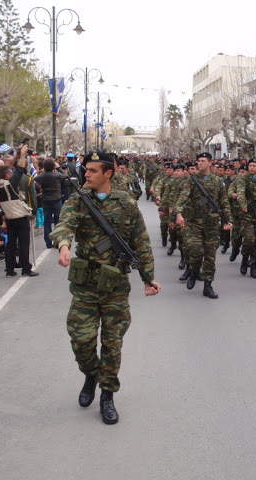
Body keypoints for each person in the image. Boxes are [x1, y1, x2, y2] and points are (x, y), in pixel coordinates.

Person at [50, 151, 161, 425]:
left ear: (108, 173)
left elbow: (141, 242)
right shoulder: (78, 200)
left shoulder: (125, 203)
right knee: (81, 339)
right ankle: (91, 373)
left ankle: (107, 395)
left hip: (115, 287)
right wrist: (64, 246)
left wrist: (148, 278)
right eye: (85, 170)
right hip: (86, 285)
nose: (86, 174)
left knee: (112, 344)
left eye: (92, 171)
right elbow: (65, 224)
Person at [175, 152, 232, 299]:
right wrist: (179, 214)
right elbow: (182, 198)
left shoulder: (218, 181)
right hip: (194, 223)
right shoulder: (192, 180)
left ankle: (208, 285)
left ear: (210, 163)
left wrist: (228, 220)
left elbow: (224, 202)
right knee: (195, 251)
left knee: (210, 257)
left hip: (212, 225)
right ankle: (194, 271)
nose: (199, 163)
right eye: (198, 161)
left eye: (202, 161)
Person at [0, 144, 39, 277]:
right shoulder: (11, 184)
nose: (12, 174)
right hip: (20, 216)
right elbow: (20, 168)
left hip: (9, 216)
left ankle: (9, 269)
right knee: (24, 243)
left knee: (11, 244)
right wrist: (23, 154)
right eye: (10, 173)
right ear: (8, 175)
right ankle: (26, 268)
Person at [236, 159, 256, 279]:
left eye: (254, 165)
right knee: (249, 239)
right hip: (247, 214)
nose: (252, 167)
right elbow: (240, 193)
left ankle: (254, 266)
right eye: (250, 165)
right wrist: (243, 205)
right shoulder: (243, 179)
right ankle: (244, 258)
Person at [35, 159, 65, 249]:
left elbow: (36, 179)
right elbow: (66, 176)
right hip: (56, 199)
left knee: (47, 221)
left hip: (46, 200)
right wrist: (59, 168)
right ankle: (57, 241)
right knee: (57, 221)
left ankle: (48, 242)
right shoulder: (57, 175)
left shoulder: (41, 177)